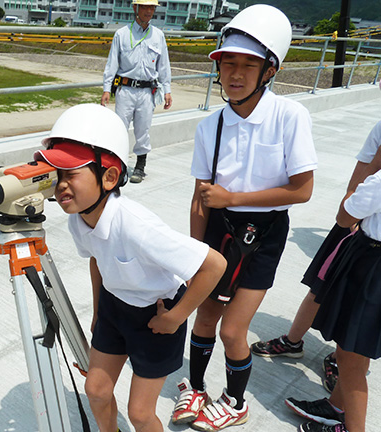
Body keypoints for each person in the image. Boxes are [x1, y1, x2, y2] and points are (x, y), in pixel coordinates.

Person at [35, 104, 226, 432]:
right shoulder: (78, 219)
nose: (61, 185)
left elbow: (214, 265)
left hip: (157, 317)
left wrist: (176, 317)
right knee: (95, 390)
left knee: (140, 413)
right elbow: (97, 259)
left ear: (109, 177)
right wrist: (98, 311)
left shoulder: (136, 225)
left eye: (71, 174)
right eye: (56, 173)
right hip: (114, 308)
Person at [171, 5, 318, 431]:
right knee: (204, 316)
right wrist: (195, 254)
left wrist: (233, 196)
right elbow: (200, 199)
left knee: (233, 331)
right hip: (219, 231)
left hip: (266, 233)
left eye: (247, 65)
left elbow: (302, 189)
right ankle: (196, 387)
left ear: (269, 70)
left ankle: (235, 402)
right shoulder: (210, 126)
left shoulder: (290, 116)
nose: (234, 74)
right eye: (228, 63)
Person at [251, 117, 381, 393]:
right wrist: (351, 205)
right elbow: (362, 169)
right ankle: (293, 341)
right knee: (321, 285)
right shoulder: (380, 127)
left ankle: (339, 359)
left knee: (357, 305)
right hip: (356, 219)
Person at [287, 162, 381, 432]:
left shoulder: (378, 182)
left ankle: (352, 428)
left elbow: (344, 217)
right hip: (371, 266)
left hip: (371, 267)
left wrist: (373, 165)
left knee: (350, 358)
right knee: (355, 348)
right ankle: (336, 405)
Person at [100, 0, 172, 184]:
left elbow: (164, 65)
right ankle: (120, 166)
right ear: (135, 8)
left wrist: (167, 90)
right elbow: (112, 64)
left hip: (147, 91)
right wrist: (107, 89)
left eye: (152, 8)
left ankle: (140, 166)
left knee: (143, 130)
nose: (149, 11)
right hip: (125, 89)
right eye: (145, 7)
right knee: (120, 129)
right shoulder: (122, 34)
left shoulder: (158, 36)